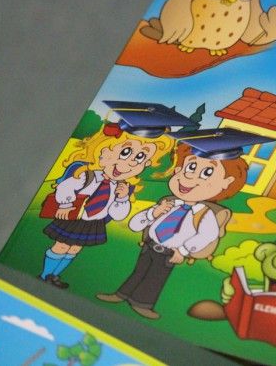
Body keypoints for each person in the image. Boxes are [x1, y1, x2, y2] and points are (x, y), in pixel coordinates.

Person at [97, 128, 275, 319]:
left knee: (156, 279)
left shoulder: (205, 214)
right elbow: (135, 225)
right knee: (138, 272)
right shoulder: (168, 203)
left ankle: (143, 303)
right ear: (178, 169)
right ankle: (121, 294)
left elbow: (206, 236)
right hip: (149, 246)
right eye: (189, 167)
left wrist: (182, 250)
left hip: (170, 254)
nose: (190, 177)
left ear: (226, 182)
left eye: (207, 172)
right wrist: (152, 213)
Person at [39, 101, 194, 289]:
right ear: (104, 150)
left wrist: (121, 198)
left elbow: (118, 214)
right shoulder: (87, 175)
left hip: (93, 222)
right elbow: (66, 187)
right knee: (61, 246)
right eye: (125, 152)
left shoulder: (121, 187)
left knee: (74, 249)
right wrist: (65, 205)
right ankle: (45, 274)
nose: (130, 163)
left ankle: (55, 275)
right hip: (74, 217)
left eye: (140, 158)